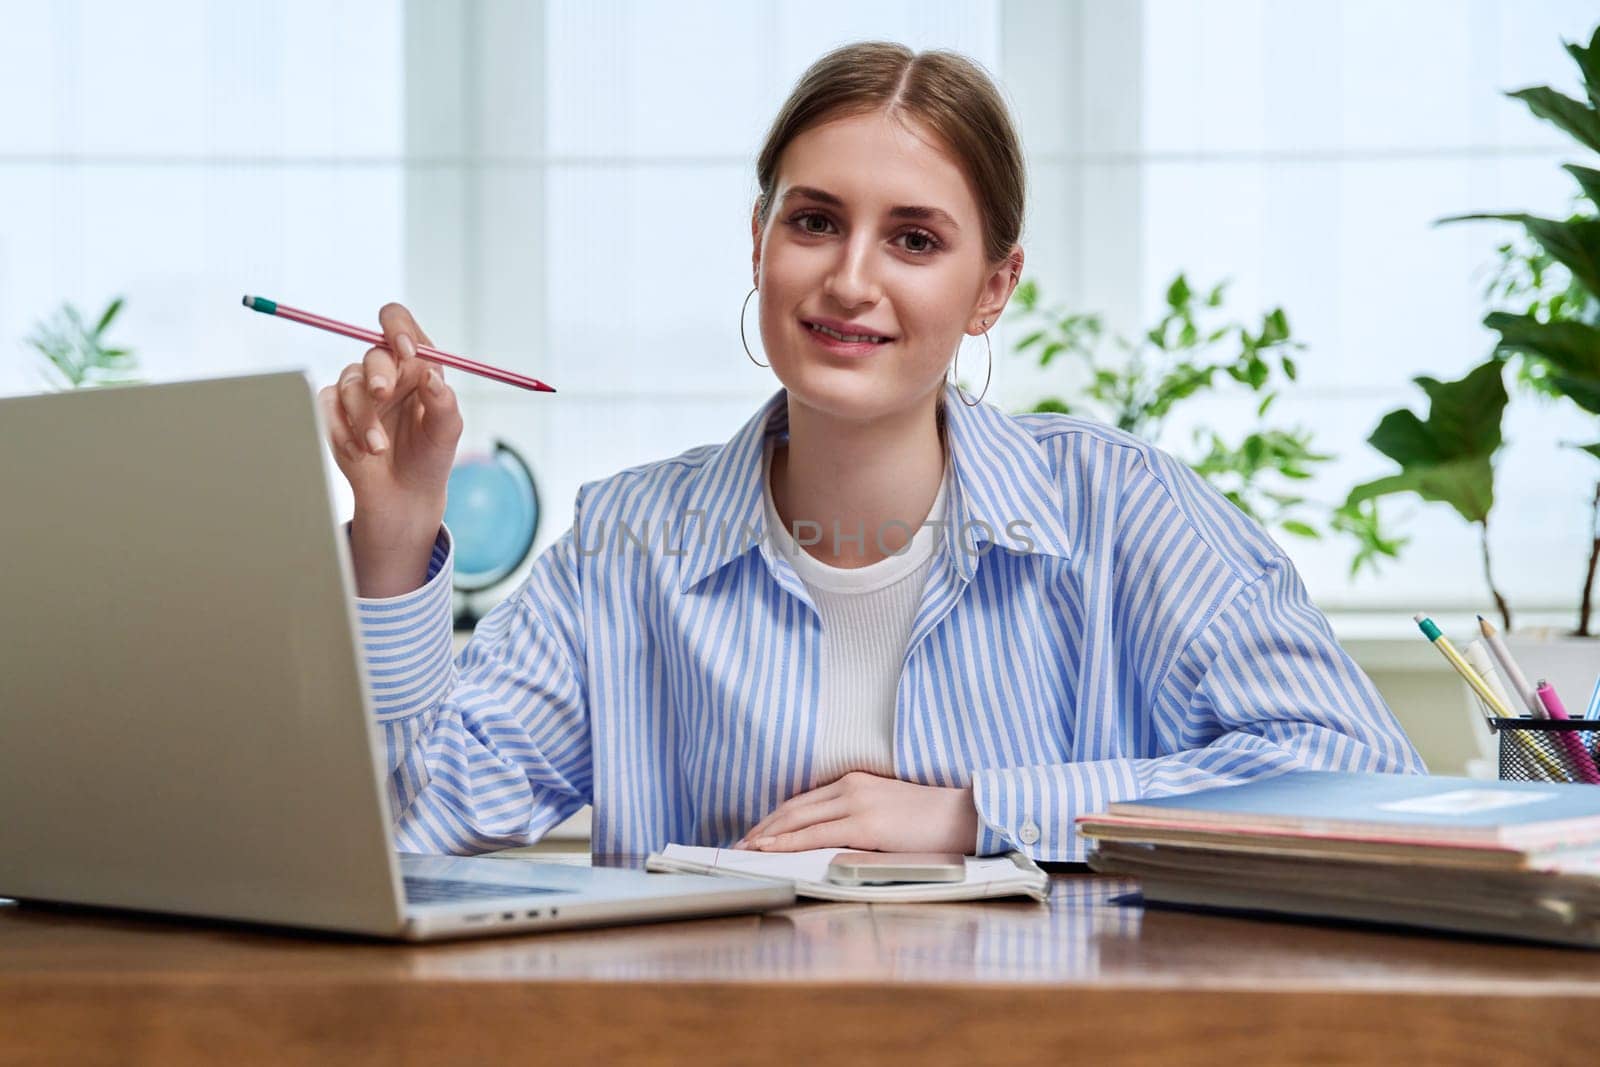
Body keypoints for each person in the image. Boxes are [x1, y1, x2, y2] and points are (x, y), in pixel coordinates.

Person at [318, 42, 1423, 866]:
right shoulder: (630, 540)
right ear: (758, 241)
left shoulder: (1120, 507)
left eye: (914, 238)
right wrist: (398, 524)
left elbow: (1359, 777)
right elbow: (414, 820)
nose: (850, 279)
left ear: (992, 288)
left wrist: (975, 812)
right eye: (812, 221)